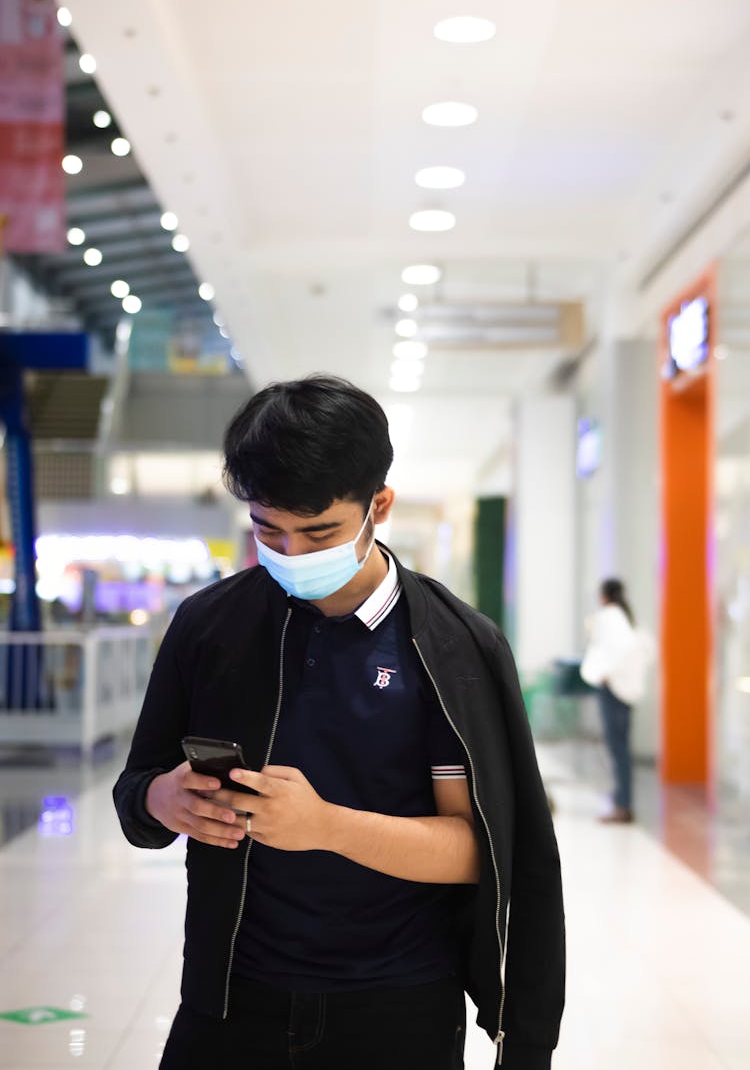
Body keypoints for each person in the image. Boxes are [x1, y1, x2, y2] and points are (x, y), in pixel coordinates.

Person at [113, 375, 565, 1070]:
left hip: (398, 1003)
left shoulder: (450, 647)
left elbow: (484, 851)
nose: (291, 553)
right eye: (269, 529)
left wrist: (325, 825)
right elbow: (135, 790)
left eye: (318, 530)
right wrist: (160, 798)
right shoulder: (210, 625)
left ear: (377, 504)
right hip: (231, 995)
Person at [581, 578, 653, 824]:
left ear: (604, 596)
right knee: (622, 749)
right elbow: (645, 649)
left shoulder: (610, 616)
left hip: (614, 690)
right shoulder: (628, 617)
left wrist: (606, 674)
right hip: (627, 691)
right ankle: (623, 801)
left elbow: (619, 650)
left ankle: (623, 805)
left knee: (618, 749)